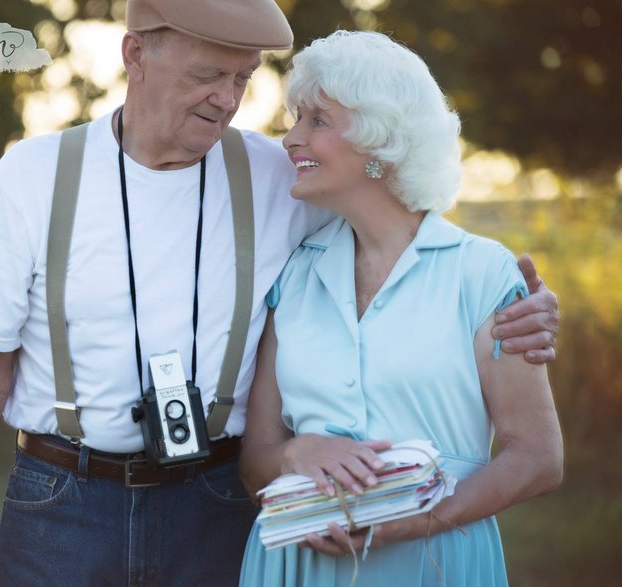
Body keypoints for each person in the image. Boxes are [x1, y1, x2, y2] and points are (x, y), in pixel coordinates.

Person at [0, 2, 560, 585]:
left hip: (220, 504)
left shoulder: (279, 176)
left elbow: (397, 218)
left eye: (243, 78)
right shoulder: (34, 176)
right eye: (207, 75)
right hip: (61, 502)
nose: (226, 99)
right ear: (135, 55)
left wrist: (522, 299)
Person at [238, 30, 564, 586]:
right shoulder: (293, 276)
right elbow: (256, 461)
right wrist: (299, 455)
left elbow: (537, 457)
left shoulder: (482, 271)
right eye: (297, 118)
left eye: (317, 120)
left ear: (380, 142)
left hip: (434, 563)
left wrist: (413, 522)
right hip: (296, 566)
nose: (290, 139)